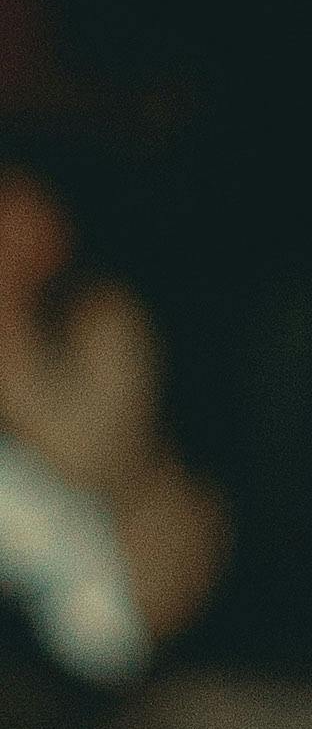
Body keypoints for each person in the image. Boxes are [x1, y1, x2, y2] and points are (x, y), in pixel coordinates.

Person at [0, 155, 228, 700]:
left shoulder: (106, 316)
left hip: (118, 583)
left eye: (18, 218)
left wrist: (8, 330)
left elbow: (89, 459)